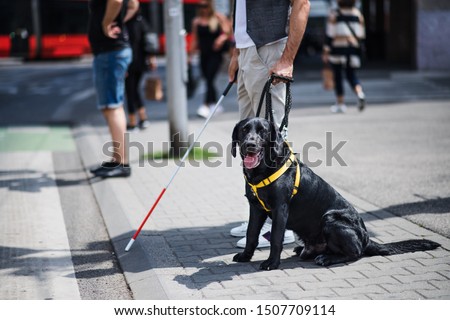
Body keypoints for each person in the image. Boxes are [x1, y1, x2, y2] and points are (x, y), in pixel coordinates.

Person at [227, 0, 311, 248]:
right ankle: (258, 216)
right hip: (247, 51)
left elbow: (302, 3)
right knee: (249, 143)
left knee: (271, 142)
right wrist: (237, 52)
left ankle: (278, 226)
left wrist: (287, 59)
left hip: (269, 48)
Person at [88, 0, 139, 178]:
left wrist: (106, 22)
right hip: (112, 50)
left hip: (109, 50)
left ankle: (122, 162)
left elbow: (117, 1)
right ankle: (117, 158)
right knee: (111, 106)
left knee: (112, 106)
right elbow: (133, 4)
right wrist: (118, 21)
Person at [189, 0, 232, 118]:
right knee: (208, 79)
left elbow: (228, 31)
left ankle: (206, 105)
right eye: (200, 6)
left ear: (210, 6)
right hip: (203, 54)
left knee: (209, 77)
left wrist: (221, 39)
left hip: (216, 54)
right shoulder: (196, 21)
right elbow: (195, 39)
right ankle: (215, 105)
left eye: (205, 6)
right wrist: (189, 55)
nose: (203, 9)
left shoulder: (217, 17)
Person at [322, 0, 366, 113]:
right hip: (352, 49)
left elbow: (330, 34)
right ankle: (360, 93)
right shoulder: (357, 14)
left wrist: (326, 51)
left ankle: (340, 104)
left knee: (338, 76)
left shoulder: (334, 13)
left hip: (338, 49)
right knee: (351, 74)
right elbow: (361, 35)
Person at [125, 10, 156, 132]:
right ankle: (143, 118)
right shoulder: (141, 21)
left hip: (130, 62)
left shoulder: (126, 22)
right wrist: (152, 58)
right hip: (140, 62)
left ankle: (133, 122)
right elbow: (148, 41)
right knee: (134, 90)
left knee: (130, 91)